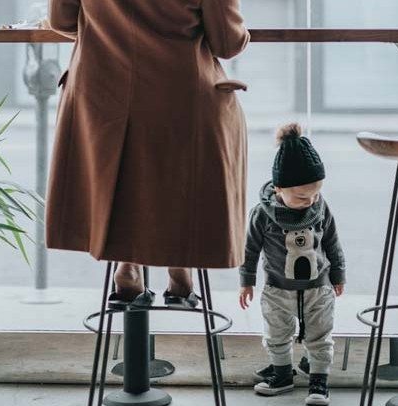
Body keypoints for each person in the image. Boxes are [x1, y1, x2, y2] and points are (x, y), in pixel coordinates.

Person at [46, 0, 250, 305]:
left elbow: (61, 21)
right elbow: (228, 41)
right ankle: (180, 266)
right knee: (183, 158)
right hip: (178, 92)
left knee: (126, 162)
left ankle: (127, 267)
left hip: (103, 95)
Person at [238, 123, 346, 406]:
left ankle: (319, 380)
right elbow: (249, 249)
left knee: (321, 335)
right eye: (301, 197)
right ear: (278, 189)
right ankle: (282, 374)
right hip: (277, 289)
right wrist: (246, 280)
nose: (309, 201)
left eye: (314, 194)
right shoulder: (262, 214)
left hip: (318, 289)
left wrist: (338, 273)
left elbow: (332, 242)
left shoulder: (320, 207)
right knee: (276, 332)